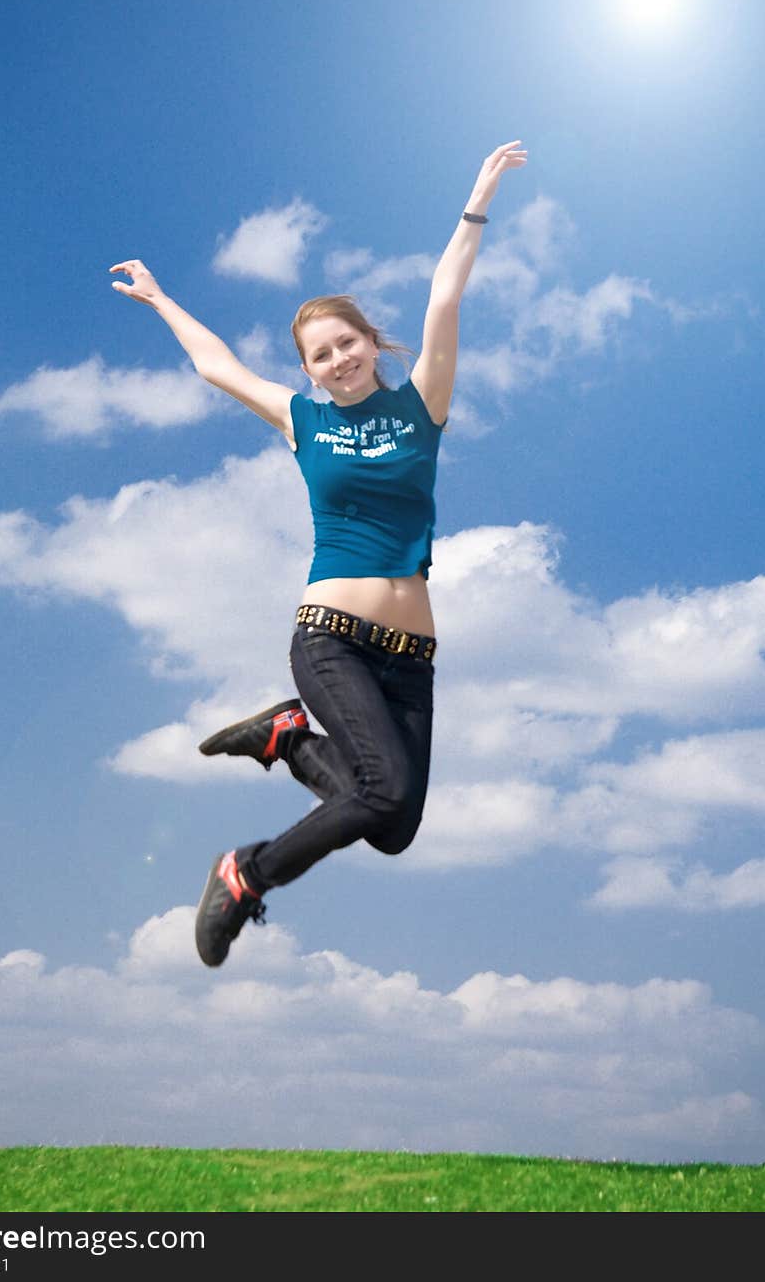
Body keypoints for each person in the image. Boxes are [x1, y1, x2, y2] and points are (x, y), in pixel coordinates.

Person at [110, 139, 527, 967]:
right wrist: (161, 299)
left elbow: (444, 299)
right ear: (308, 371)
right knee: (384, 792)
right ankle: (245, 875)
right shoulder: (307, 423)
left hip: (411, 657)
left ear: (372, 343)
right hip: (331, 637)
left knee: (395, 828)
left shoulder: (422, 410)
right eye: (319, 355)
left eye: (347, 343)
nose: (337, 360)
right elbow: (214, 366)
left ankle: (289, 740)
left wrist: (476, 200)